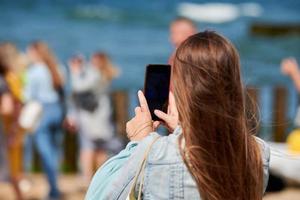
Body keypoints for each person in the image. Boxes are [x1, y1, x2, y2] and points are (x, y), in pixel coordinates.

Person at [85, 31, 270, 199]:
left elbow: (99, 194)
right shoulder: (258, 152)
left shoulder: (156, 152)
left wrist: (137, 144)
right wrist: (183, 131)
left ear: (182, 88)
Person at [66, 52, 118, 188]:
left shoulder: (95, 75)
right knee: (101, 149)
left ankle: (88, 180)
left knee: (87, 148)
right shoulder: (104, 75)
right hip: (103, 117)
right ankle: (102, 179)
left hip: (91, 118)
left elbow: (78, 87)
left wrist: (75, 71)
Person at [25, 41, 64, 199]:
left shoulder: (34, 71)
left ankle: (54, 190)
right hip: (58, 110)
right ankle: (55, 187)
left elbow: (28, 96)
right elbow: (64, 92)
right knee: (55, 151)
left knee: (46, 153)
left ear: (35, 53)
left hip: (42, 112)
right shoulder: (58, 68)